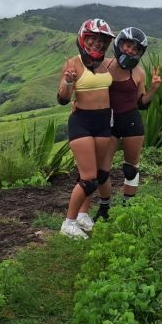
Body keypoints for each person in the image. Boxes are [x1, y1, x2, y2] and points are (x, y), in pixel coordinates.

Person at [91, 27, 161, 221]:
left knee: (131, 167)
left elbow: (141, 104)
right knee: (102, 171)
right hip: (109, 123)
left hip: (131, 122)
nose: (130, 51)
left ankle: (127, 208)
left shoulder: (138, 73)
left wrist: (153, 89)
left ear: (140, 53)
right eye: (128, 45)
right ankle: (104, 208)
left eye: (135, 49)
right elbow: (90, 86)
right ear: (119, 44)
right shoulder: (104, 65)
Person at [56, 18, 115, 239]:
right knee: (88, 178)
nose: (97, 44)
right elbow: (62, 98)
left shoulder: (105, 64)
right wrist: (69, 82)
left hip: (103, 122)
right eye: (92, 39)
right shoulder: (73, 64)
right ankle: (68, 222)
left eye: (101, 41)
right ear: (83, 38)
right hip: (82, 121)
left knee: (98, 175)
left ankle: (83, 214)